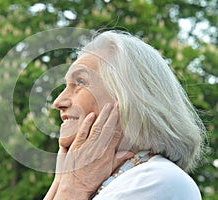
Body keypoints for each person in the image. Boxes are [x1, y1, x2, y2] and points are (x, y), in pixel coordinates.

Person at [44, 30, 206, 200]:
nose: (58, 101)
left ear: (129, 95)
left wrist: (71, 189)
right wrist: (62, 183)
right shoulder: (115, 182)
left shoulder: (156, 181)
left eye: (80, 82)